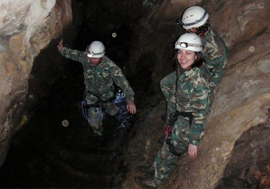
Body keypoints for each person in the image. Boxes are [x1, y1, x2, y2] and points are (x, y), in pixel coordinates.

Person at [135, 33, 210, 188]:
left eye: (188, 53)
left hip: (187, 124)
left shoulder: (197, 83)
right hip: (180, 117)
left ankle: (156, 180)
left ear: (197, 56)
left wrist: (194, 142)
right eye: (180, 52)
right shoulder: (184, 72)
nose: (182, 57)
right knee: (167, 144)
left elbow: (201, 114)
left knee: (171, 151)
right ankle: (155, 167)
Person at [57, 39, 137, 136]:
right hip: (91, 94)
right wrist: (62, 50)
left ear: (101, 56)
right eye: (91, 57)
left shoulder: (110, 66)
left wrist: (129, 100)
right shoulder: (86, 58)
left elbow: (123, 83)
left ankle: (114, 125)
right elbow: (74, 54)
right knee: (93, 121)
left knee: (113, 112)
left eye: (95, 58)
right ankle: (99, 133)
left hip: (107, 93)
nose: (92, 60)